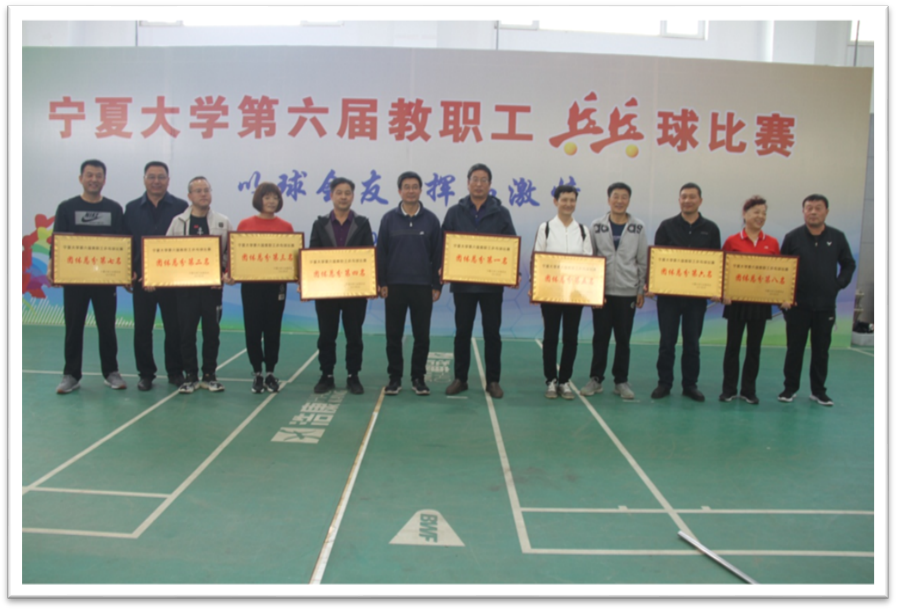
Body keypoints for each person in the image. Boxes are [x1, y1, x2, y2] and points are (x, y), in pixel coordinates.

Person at [50, 160, 127, 394]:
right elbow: (58, 242)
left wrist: (124, 272)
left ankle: (111, 372)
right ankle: (71, 375)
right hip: (75, 280)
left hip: (105, 280)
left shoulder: (114, 209)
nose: (94, 179)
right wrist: (54, 267)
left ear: (104, 180)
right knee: (73, 327)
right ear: (81, 178)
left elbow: (122, 244)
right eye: (89, 175)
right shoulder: (66, 207)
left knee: (107, 327)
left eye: (98, 175)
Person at [441, 163, 517, 399]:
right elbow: (444, 244)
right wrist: (443, 267)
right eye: (475, 179)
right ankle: (460, 379)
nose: (479, 184)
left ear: (490, 184)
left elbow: (510, 245)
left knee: (492, 333)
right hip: (463, 285)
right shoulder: (455, 212)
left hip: (491, 286)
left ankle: (493, 381)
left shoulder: (501, 213)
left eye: (484, 180)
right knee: (462, 332)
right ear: (468, 183)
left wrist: (512, 272)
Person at [778, 194, 856, 406]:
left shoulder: (837, 237)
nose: (813, 212)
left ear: (826, 212)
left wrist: (837, 284)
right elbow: (781, 269)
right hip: (797, 306)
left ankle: (818, 391)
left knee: (821, 351)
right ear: (803, 211)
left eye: (818, 208)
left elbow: (848, 264)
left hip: (825, 306)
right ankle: (789, 388)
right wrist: (783, 298)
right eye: (809, 208)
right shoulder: (792, 237)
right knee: (794, 349)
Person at [650, 183, 721, 402]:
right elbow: (658, 261)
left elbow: (716, 263)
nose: (687, 201)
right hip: (669, 298)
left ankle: (690, 385)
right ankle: (664, 383)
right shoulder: (667, 226)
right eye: (684, 197)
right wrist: (652, 284)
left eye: (692, 197)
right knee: (667, 342)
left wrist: (715, 288)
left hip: (696, 299)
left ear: (700, 200)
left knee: (692, 343)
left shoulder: (711, 229)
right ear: (679, 200)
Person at [124, 161, 189, 391]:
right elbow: (126, 244)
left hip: (172, 280)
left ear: (168, 181)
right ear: (144, 180)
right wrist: (129, 272)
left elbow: (187, 244)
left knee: (174, 329)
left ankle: (175, 371)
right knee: (142, 330)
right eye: (151, 177)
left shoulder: (181, 206)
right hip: (142, 281)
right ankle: (146, 374)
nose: (156, 181)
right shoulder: (132, 208)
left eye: (161, 177)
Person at [377, 171, 443, 396]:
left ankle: (418, 378)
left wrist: (437, 285)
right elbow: (381, 253)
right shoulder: (388, 219)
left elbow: (438, 254)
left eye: (415, 187)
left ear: (421, 190)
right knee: (393, 335)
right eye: (406, 187)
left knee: (422, 336)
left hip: (422, 287)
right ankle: (394, 378)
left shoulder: (431, 220)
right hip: (394, 286)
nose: (411, 191)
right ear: (399, 191)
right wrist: (382, 281)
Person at [307, 177, 374, 395]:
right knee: (327, 335)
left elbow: (368, 255)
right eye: (339, 193)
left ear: (353, 196)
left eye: (347, 193)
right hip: (327, 291)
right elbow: (313, 256)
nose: (343, 197)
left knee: (354, 336)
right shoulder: (320, 224)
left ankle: (353, 375)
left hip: (355, 291)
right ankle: (326, 375)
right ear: (331, 196)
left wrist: (371, 283)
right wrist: (307, 282)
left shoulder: (362, 223)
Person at [165, 177, 232, 394]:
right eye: (198, 191)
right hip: (186, 290)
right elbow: (166, 251)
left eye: (206, 190)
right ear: (189, 196)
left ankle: (210, 375)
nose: (203, 194)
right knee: (187, 333)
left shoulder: (222, 221)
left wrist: (223, 273)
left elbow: (231, 254)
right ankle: (191, 375)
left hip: (212, 289)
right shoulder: (178, 222)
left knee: (212, 333)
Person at [582, 182, 648, 400]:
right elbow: (590, 259)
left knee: (623, 339)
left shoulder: (638, 227)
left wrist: (640, 289)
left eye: (624, 197)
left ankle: (621, 381)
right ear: (608, 199)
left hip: (627, 292)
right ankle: (596, 379)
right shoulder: (597, 226)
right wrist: (592, 290)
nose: (619, 201)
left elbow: (642, 261)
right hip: (602, 292)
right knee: (600, 337)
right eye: (615, 196)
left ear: (629, 200)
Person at [232, 183, 294, 394]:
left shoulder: (286, 227)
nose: (271, 201)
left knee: (273, 329)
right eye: (267, 197)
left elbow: (292, 258)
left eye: (275, 198)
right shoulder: (245, 224)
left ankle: (270, 372)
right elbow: (237, 255)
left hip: (276, 286)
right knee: (253, 329)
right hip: (251, 287)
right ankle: (257, 372)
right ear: (259, 200)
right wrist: (232, 273)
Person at [532, 185, 592, 400]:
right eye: (564, 200)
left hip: (575, 294)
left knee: (571, 338)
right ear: (555, 201)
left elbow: (589, 263)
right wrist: (535, 289)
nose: (568, 204)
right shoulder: (546, 228)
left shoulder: (583, 231)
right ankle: (551, 380)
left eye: (572, 200)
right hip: (551, 292)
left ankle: (565, 381)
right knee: (550, 337)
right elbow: (538, 258)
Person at [720, 196, 781, 405]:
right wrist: (724, 292)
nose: (760, 216)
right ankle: (728, 389)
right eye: (756, 212)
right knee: (732, 347)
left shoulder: (772, 243)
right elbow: (722, 271)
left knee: (754, 349)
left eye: (764, 213)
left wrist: (782, 296)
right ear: (745, 214)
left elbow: (779, 274)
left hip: (760, 304)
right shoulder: (732, 241)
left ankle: (748, 390)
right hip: (735, 303)